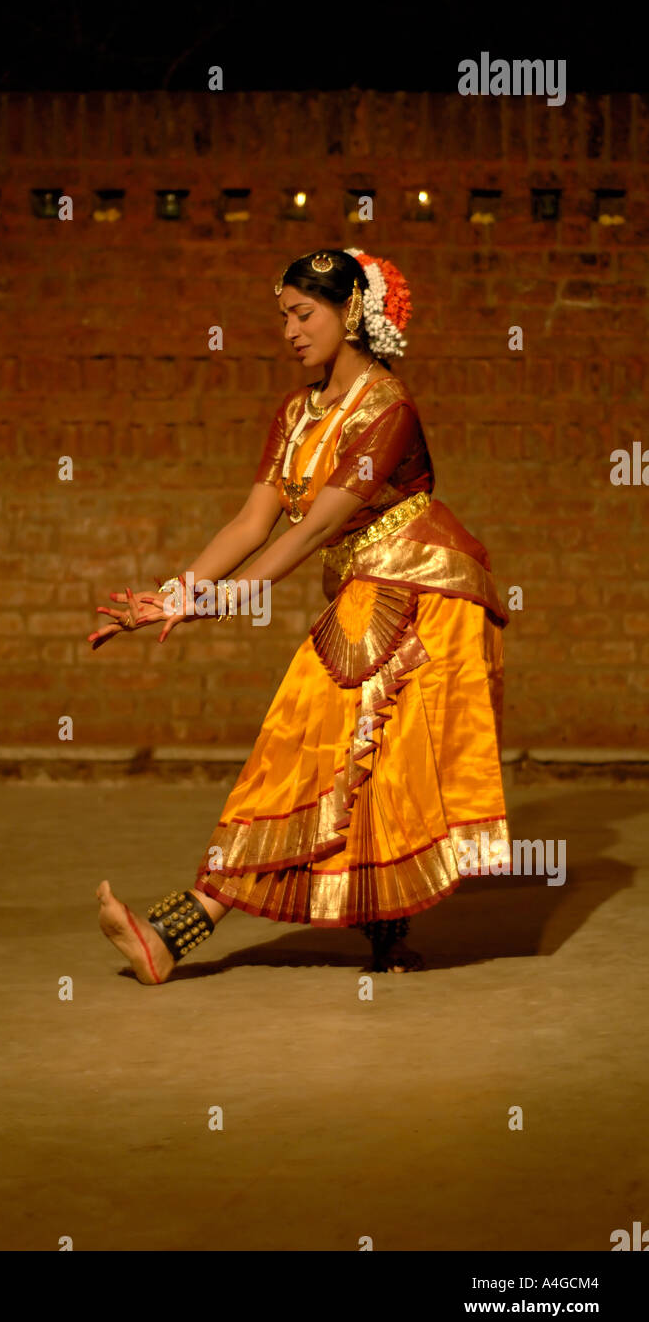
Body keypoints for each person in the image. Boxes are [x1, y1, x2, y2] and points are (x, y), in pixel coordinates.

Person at [89, 247, 511, 984]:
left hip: (425, 591)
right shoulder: (296, 411)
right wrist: (180, 592)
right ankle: (386, 938)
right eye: (281, 315)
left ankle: (173, 934)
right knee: (363, 760)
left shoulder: (388, 410)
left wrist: (223, 601)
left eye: (302, 313)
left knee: (319, 742)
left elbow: (314, 528)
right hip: (365, 586)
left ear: (351, 311)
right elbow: (254, 521)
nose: (287, 330)